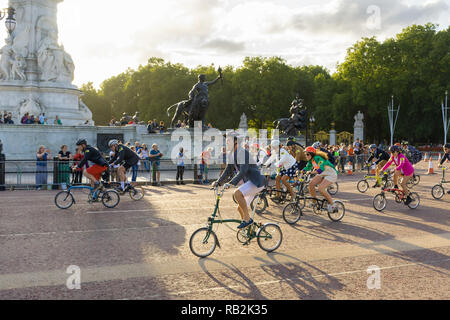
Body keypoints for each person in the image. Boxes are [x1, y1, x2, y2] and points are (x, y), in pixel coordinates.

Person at [212, 132, 266, 229]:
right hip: (251, 182)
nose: (226, 142)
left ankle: (247, 220)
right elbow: (228, 170)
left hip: (256, 182)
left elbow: (243, 171)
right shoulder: (232, 154)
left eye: (229, 140)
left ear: (236, 142)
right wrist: (218, 182)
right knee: (240, 208)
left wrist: (231, 183)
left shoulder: (243, 153)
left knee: (237, 194)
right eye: (226, 140)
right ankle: (249, 228)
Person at [301, 146, 339, 213]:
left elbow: (321, 168)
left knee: (320, 188)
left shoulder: (318, 158)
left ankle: (333, 205)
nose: (306, 156)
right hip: (323, 173)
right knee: (311, 184)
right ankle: (314, 202)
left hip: (331, 173)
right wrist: (302, 171)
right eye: (305, 154)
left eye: (307, 154)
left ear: (312, 154)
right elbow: (308, 167)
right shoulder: (311, 160)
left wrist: (311, 172)